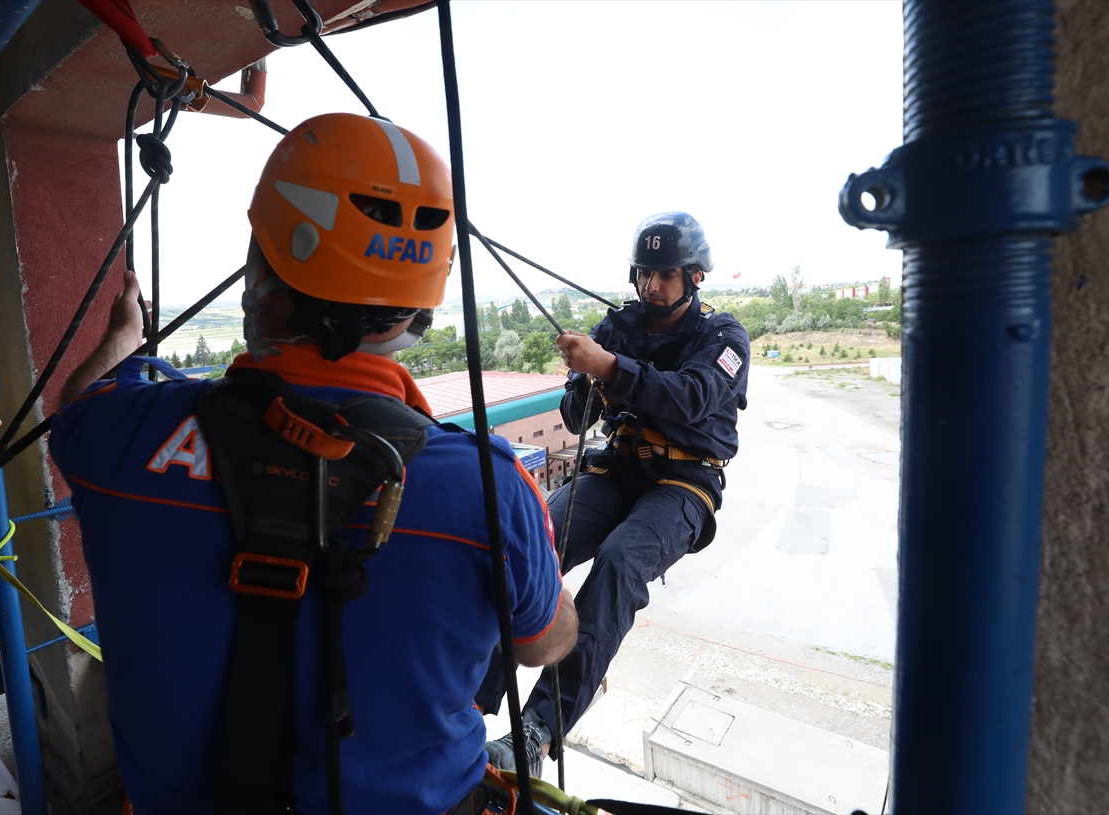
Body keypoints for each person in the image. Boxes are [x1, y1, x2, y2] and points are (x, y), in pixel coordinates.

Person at [49, 113, 576, 814]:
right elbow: (546, 641)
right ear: (415, 312)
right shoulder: (487, 488)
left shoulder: (123, 435)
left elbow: (78, 406)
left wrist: (124, 335)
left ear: (260, 270)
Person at [476, 211, 749, 775]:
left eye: (666, 274)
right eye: (644, 274)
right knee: (533, 539)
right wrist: (590, 384)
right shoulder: (618, 328)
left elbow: (692, 397)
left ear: (694, 276)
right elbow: (575, 419)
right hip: (617, 469)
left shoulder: (722, 338)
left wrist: (610, 366)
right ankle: (468, 692)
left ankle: (539, 726)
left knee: (621, 561)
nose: (652, 286)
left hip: (683, 484)